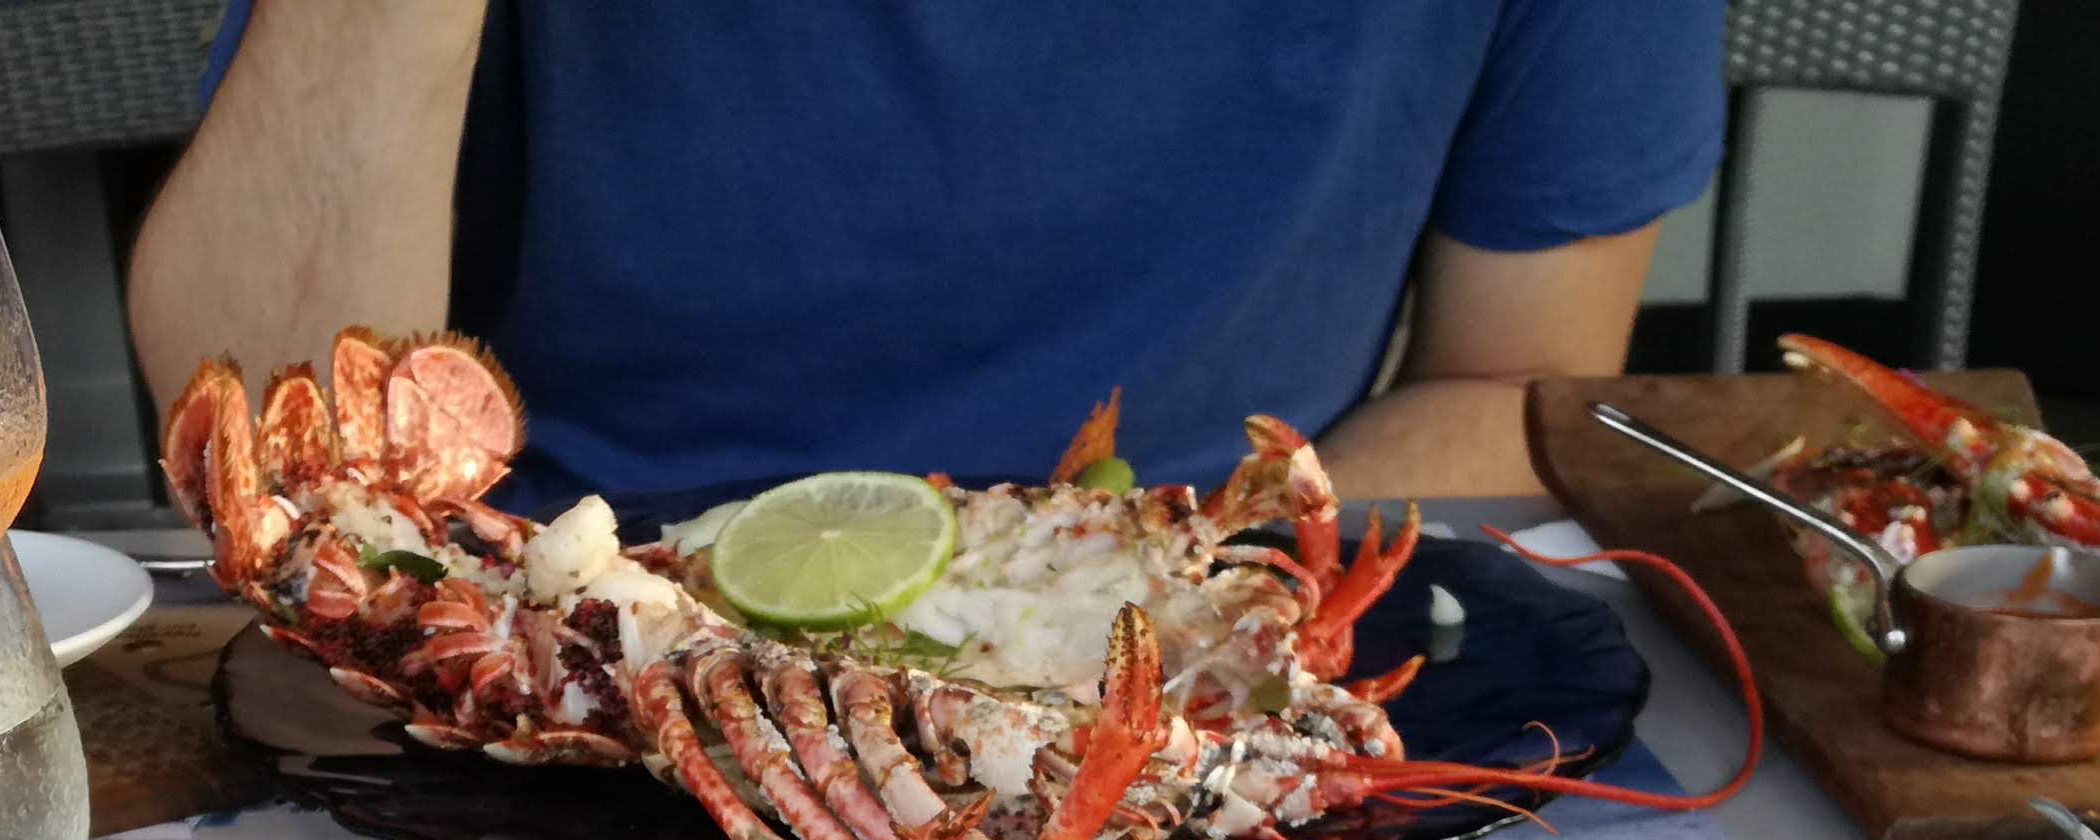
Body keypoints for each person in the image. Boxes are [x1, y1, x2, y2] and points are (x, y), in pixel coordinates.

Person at [129, 2, 1722, 512]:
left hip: (1196, 642)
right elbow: (273, 457)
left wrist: (1194, 591)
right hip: (560, 639)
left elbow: (1523, 394)